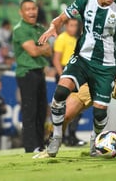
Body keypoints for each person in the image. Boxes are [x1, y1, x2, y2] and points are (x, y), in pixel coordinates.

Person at [38, 0, 116, 157]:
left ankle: (95, 143)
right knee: (60, 92)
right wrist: (53, 27)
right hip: (82, 59)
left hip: (106, 67)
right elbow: (62, 17)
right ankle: (56, 138)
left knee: (100, 113)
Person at [12, 0, 52, 153]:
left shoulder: (40, 28)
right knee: (30, 111)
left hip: (39, 72)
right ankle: (30, 146)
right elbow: (34, 51)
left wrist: (39, 48)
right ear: (21, 13)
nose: (31, 12)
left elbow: (49, 50)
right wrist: (40, 47)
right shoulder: (19, 29)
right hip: (27, 73)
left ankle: (40, 144)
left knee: (42, 110)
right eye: (27, 9)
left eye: (33, 8)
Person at [52, 17, 85, 147]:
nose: (73, 28)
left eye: (75, 26)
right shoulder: (62, 38)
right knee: (64, 106)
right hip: (66, 72)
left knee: (77, 105)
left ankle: (71, 135)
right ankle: (62, 136)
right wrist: (62, 76)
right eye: (71, 25)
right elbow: (56, 59)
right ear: (66, 26)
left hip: (76, 73)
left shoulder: (76, 39)